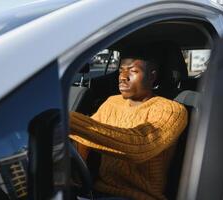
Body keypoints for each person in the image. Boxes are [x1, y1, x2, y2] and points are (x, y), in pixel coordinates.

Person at [69, 47, 188, 200]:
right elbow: (86, 139)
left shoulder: (171, 110)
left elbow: (140, 145)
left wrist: (69, 121)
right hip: (98, 190)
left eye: (133, 71)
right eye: (120, 71)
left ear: (152, 76)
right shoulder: (112, 102)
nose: (123, 77)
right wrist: (75, 175)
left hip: (140, 196)